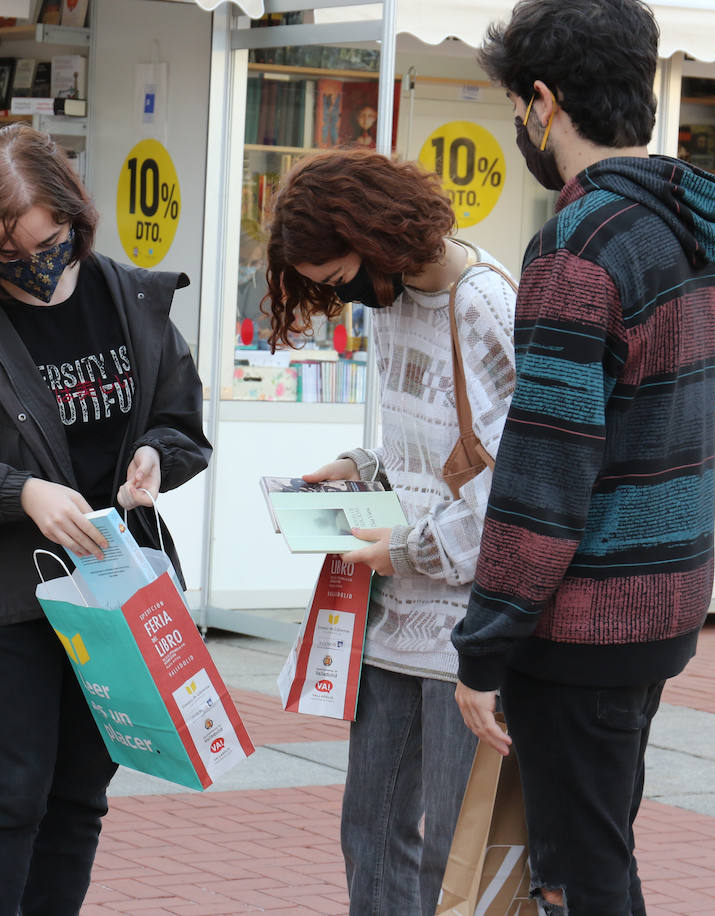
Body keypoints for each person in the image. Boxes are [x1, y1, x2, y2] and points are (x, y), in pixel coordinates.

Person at [449, 1, 715, 913]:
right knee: (601, 844)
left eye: (517, 105)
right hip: (662, 595)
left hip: (584, 619)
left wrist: (484, 647)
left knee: (579, 872)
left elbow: (545, 474)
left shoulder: (579, 246)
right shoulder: (682, 229)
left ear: (543, 101)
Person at [0, 124, 210, 916]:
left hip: (114, 590)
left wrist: (158, 459)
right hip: (1, 598)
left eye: (50, 242)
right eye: (9, 254)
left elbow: (181, 424)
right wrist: (20, 493)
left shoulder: (129, 298)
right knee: (6, 797)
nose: (36, 266)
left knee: (78, 799)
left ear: (75, 218)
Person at [263, 148, 517, 916]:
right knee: (369, 830)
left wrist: (401, 548)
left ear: (376, 237)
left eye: (342, 279)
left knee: (452, 846)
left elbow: (514, 485)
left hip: (464, 625)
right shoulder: (396, 299)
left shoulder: (487, 307)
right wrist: (358, 465)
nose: (348, 297)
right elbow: (423, 448)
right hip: (393, 615)